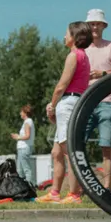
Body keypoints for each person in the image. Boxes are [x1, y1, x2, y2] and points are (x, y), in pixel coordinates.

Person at [38, 22, 93, 204]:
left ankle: (74, 194)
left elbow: (61, 85)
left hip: (68, 102)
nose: (64, 37)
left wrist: (52, 105)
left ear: (75, 37)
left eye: (66, 33)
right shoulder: (84, 56)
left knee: (69, 151)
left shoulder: (73, 56)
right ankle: (55, 192)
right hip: (73, 101)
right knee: (56, 152)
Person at [84, 9, 111, 188]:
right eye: (92, 24)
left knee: (106, 146)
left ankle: (107, 188)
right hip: (85, 102)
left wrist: (103, 73)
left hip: (108, 101)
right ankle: (80, 187)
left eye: (98, 24)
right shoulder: (81, 48)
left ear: (103, 26)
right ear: (88, 26)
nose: (95, 27)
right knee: (77, 145)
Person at [11, 104, 37, 186]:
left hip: (24, 148)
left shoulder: (27, 122)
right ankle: (21, 186)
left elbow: (27, 135)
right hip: (22, 149)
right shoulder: (28, 122)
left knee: (26, 169)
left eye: (21, 112)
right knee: (20, 170)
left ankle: (30, 186)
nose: (20, 113)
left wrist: (17, 137)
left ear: (25, 113)